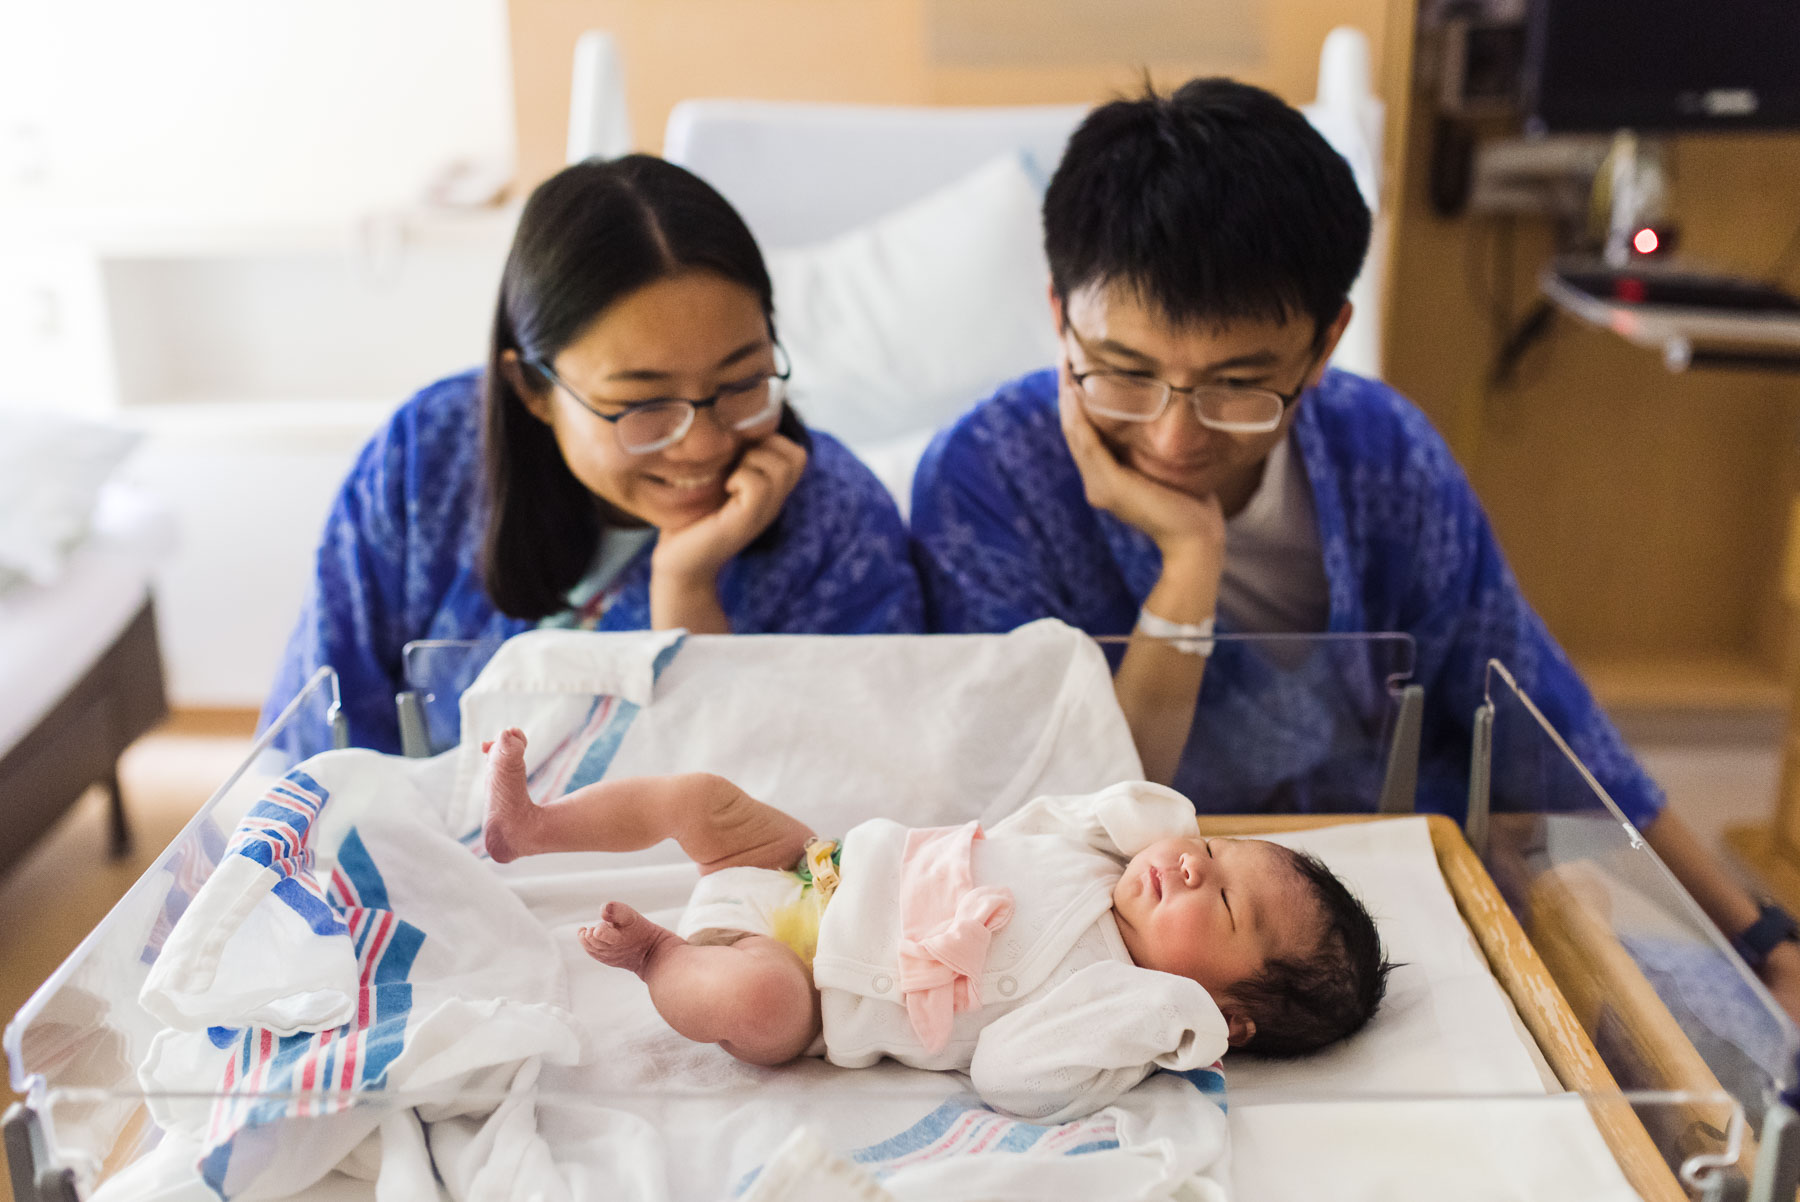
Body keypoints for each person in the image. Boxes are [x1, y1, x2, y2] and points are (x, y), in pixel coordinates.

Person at [908, 78, 1800, 1019]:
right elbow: (1059, 810)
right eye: (1123, 375)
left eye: (1239, 386)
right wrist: (1187, 568)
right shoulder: (985, 483)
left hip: (1401, 885)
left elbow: (1542, 712)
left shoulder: (1382, 454)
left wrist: (1758, 936)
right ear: (1059, 315)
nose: (1174, 440)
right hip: (1136, 938)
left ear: (1325, 340)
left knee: (1743, 1051)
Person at [263, 156, 923, 756]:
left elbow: (838, 795)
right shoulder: (427, 459)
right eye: (644, 404)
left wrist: (688, 591)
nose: (704, 443)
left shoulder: (838, 524)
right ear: (534, 390)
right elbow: (321, 741)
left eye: (742, 383)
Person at [480, 727, 1390, 1123]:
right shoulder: (1100, 858)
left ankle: (659, 957)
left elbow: (1010, 1077)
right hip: (810, 864)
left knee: (751, 1000)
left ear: (1225, 1014)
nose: (1195, 866)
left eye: (1225, 903)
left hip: (810, 988)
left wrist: (1168, 1017)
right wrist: (1171, 839)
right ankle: (536, 826)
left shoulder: (1120, 1013)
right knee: (700, 799)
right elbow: (1102, 808)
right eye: (1219, 853)